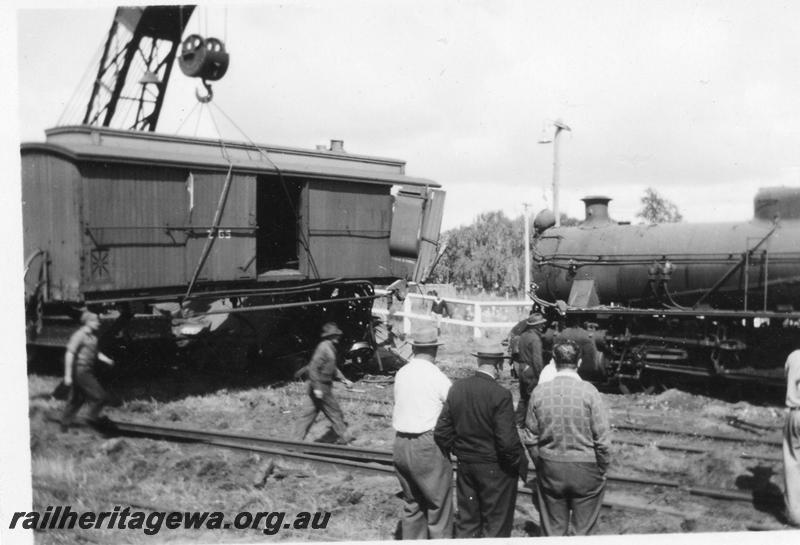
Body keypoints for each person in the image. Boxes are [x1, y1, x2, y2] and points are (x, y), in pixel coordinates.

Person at [434, 339, 527, 538]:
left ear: (478, 362)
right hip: (495, 468)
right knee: (496, 526)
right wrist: (515, 464)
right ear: (499, 365)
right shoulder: (500, 394)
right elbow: (507, 441)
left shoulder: (458, 388)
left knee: (467, 522)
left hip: (467, 465)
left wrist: (460, 451)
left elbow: (442, 431)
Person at [525, 340, 611, 536]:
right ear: (579, 362)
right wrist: (602, 468)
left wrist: (541, 464)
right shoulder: (590, 392)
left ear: (554, 362)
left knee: (553, 531)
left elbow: (530, 436)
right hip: (587, 471)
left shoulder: (539, 392)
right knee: (584, 531)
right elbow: (603, 440)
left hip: (551, 468)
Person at [392, 326, 454, 539]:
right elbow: (454, 404)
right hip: (426, 443)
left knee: (413, 503)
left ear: (414, 348)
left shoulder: (402, 372)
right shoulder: (435, 375)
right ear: (434, 350)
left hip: (400, 443)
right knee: (439, 505)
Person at [294, 322, 354, 444]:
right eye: (336, 335)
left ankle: (295, 441)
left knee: (308, 416)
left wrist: (344, 379)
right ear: (331, 336)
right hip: (321, 387)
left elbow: (332, 368)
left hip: (320, 387)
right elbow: (313, 368)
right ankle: (345, 439)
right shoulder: (323, 348)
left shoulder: (330, 347)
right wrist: (317, 388)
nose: (338, 337)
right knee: (335, 412)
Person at [61, 311, 115, 431]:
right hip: (80, 371)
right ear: (87, 322)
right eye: (95, 321)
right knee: (101, 397)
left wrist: (108, 361)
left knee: (76, 400)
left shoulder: (93, 337)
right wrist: (68, 375)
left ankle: (63, 427)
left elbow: (96, 354)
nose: (98, 323)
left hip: (87, 370)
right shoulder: (79, 335)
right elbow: (69, 353)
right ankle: (89, 420)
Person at [514, 312, 548, 427]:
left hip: (522, 368)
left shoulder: (523, 336)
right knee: (532, 397)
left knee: (523, 397)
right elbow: (537, 360)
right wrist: (541, 375)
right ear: (536, 326)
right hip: (531, 370)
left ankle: (518, 422)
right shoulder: (535, 339)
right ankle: (530, 423)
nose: (543, 326)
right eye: (540, 324)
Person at [783, 349, 800, 526]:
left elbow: (787, 378)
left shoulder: (793, 356)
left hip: (795, 413)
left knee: (793, 463)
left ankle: (796, 516)